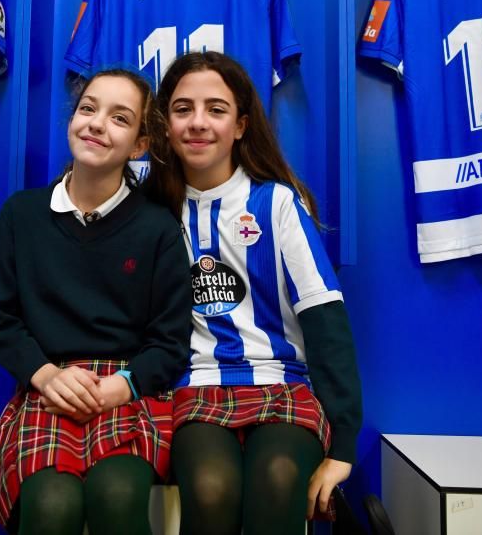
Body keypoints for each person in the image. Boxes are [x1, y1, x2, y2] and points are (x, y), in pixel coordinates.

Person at [145, 51, 363, 535]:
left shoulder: (277, 202)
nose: (198, 123)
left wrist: (343, 447)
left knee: (280, 479)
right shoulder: (149, 206)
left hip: (282, 384)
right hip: (196, 386)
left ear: (241, 125)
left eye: (216, 110)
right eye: (183, 109)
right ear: (163, 124)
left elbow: (325, 319)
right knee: (210, 487)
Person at [0, 69, 193, 535]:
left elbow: (170, 342)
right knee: (51, 505)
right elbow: (3, 325)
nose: (97, 124)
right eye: (88, 108)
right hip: (50, 387)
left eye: (119, 118)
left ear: (139, 145)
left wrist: (119, 386)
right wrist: (47, 376)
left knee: (117, 498)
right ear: (72, 119)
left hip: (127, 391)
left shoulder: (157, 228)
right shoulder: (21, 214)